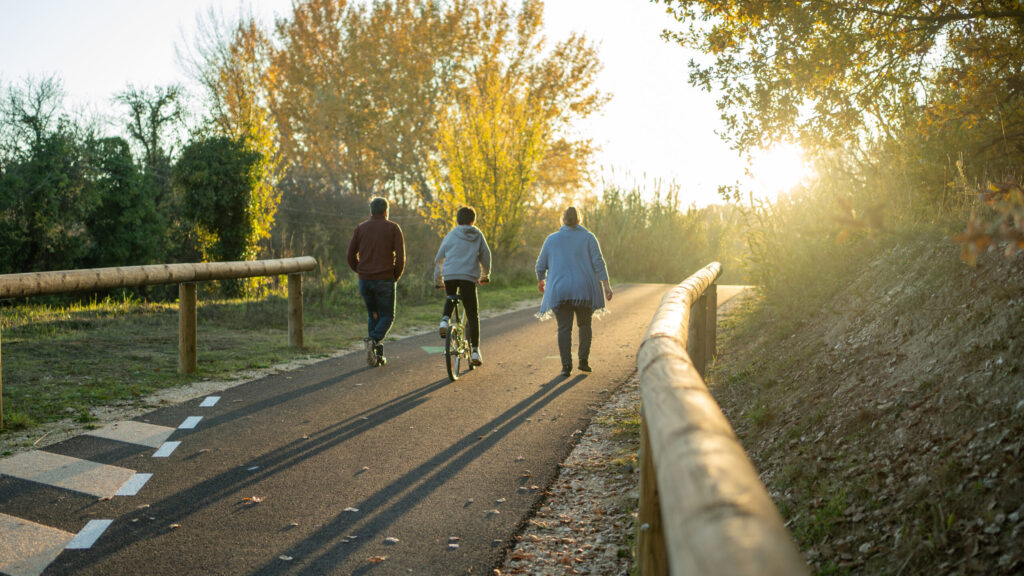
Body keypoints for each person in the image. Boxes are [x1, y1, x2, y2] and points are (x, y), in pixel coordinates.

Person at [535, 206, 613, 377]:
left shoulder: (552, 239)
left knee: (564, 328)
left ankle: (566, 367)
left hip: (559, 290)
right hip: (584, 289)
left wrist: (541, 280)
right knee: (584, 324)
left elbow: (540, 265)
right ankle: (583, 362)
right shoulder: (588, 237)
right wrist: (606, 285)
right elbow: (598, 263)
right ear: (579, 219)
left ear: (562, 220)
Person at [347, 197, 405, 367]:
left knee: (374, 315)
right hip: (384, 279)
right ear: (386, 211)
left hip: (365, 280)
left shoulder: (361, 228)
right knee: (387, 316)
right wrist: (395, 275)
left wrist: (360, 270)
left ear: (371, 211)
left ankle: (377, 357)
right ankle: (373, 340)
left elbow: (350, 255)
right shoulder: (393, 228)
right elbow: (401, 258)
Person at [434, 206, 492, 366]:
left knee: (451, 297)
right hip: (468, 278)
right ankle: (474, 352)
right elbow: (486, 256)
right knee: (473, 314)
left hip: (450, 275)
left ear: (457, 220)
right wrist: (485, 275)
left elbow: (439, 259)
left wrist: (438, 281)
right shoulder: (478, 234)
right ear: (473, 221)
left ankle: (444, 321)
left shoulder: (451, 235)